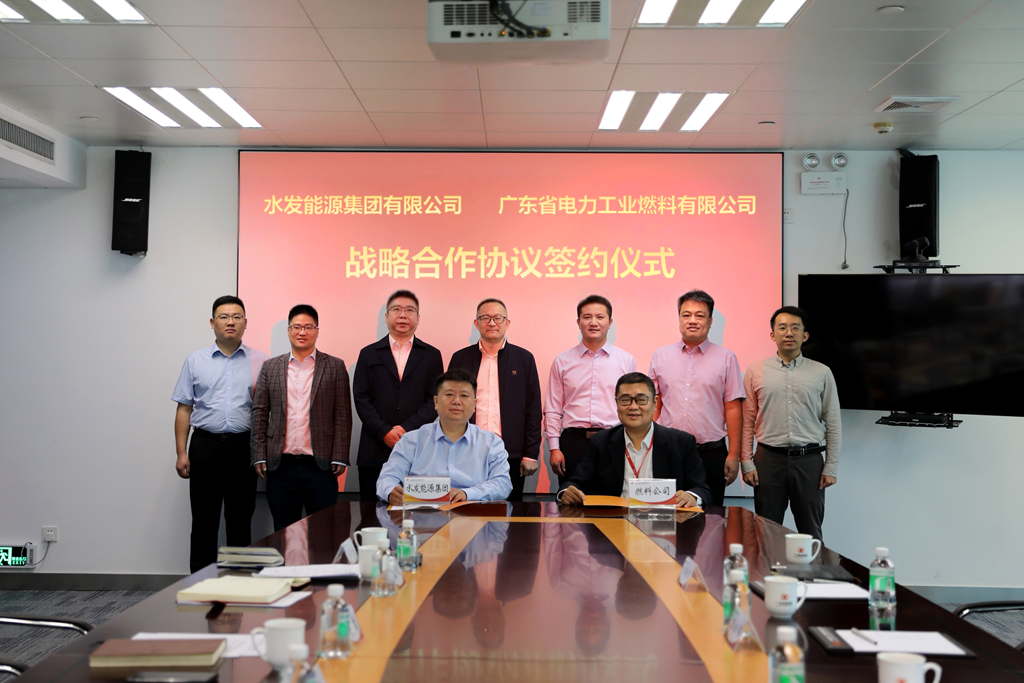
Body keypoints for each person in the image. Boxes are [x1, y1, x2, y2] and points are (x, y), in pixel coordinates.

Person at [172, 295, 267, 573]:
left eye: (237, 317)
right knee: (204, 520)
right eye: (224, 317)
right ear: (212, 322)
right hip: (205, 446)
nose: (230, 322)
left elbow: (267, 412)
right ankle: (199, 582)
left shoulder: (261, 361)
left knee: (240, 520)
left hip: (243, 448)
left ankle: (239, 581)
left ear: (246, 323)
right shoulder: (195, 360)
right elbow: (184, 409)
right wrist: (181, 452)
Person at [741, 306, 841, 541]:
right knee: (765, 532)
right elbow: (748, 419)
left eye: (795, 328)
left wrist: (831, 466)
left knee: (811, 533)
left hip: (809, 461)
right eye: (782, 327)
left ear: (805, 335)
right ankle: (767, 567)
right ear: (772, 334)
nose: (788, 333)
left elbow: (833, 422)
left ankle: (812, 567)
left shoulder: (822, 372)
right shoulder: (755, 371)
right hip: (768, 460)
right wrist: (746, 462)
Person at [251, 304, 352, 530]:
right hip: (280, 465)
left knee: (322, 531)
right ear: (289, 330)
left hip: (321, 465)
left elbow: (343, 415)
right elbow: (259, 413)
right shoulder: (270, 367)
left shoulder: (334, 366)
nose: (302, 332)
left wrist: (339, 456)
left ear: (317, 330)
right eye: (296, 327)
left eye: (308, 327)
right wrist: (259, 455)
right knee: (284, 531)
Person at [649, 290, 744, 506]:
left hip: (710, 452)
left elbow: (733, 408)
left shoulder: (726, 358)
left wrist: (733, 455)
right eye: (686, 315)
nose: (692, 320)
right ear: (679, 318)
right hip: (667, 450)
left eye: (699, 315)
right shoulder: (661, 356)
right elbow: (655, 404)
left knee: (711, 516)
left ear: (710, 321)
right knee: (664, 514)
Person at [558, 372, 710, 507]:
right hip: (614, 522)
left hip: (664, 523)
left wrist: (691, 496)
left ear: (654, 403)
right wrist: (566, 492)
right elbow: (574, 483)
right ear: (617, 403)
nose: (633, 406)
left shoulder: (681, 443)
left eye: (641, 400)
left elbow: (702, 489)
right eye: (625, 400)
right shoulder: (600, 442)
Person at [353, 290, 444, 500]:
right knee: (371, 513)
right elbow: (361, 398)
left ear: (418, 318)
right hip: (374, 447)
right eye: (396, 309)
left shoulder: (431, 355)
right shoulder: (368, 353)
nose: (403, 315)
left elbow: (435, 400)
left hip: (418, 448)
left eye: (410, 310)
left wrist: (406, 430)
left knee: (416, 514)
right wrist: (384, 431)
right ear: (386, 316)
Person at [449, 298, 542, 501]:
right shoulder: (460, 358)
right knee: (465, 509)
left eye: (497, 318)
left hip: (510, 453)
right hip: (466, 450)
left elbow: (533, 409)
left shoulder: (524, 359)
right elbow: (450, 406)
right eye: (485, 318)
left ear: (507, 322)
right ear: (476, 323)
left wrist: (530, 453)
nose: (492, 323)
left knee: (509, 510)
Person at [376, 368, 512, 504]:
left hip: (471, 513)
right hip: (421, 514)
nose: (456, 401)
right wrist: (390, 492)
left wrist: (467, 494)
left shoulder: (491, 443)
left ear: (475, 404)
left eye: (464, 395)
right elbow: (387, 478)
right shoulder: (411, 441)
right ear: (436, 402)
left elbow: (503, 483)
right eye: (449, 394)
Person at [546, 295, 635, 490]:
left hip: (613, 440)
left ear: (610, 322)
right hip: (573, 443)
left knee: (612, 501)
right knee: (571, 500)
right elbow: (553, 408)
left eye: (600, 317)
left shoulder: (625, 360)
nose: (593, 322)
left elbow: (631, 407)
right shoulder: (562, 361)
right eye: (587, 317)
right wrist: (554, 448)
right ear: (578, 322)